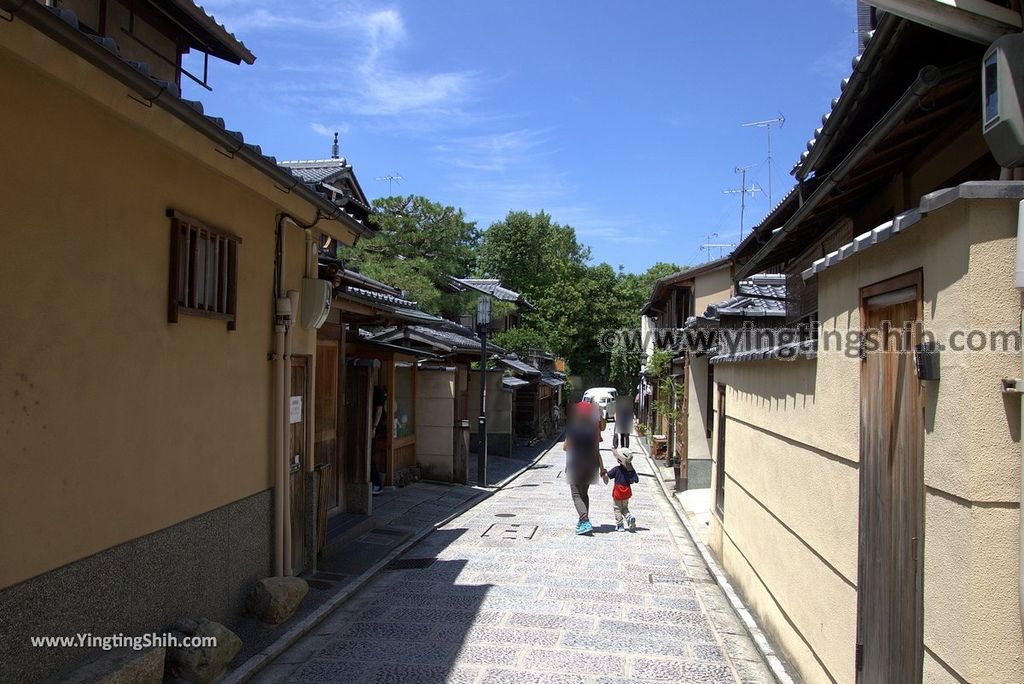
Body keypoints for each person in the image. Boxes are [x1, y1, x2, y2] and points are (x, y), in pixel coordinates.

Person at [563, 402, 607, 535]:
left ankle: (584, 520)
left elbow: (565, 447)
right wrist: (602, 469)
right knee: (584, 494)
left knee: (576, 494)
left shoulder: (573, 428)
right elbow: (597, 451)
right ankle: (582, 522)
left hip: (576, 465)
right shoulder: (594, 429)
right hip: (591, 465)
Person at [607, 448, 639, 532]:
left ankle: (620, 525)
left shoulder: (617, 469)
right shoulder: (631, 471)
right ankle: (629, 517)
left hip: (618, 492)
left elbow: (608, 475)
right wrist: (631, 472)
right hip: (626, 492)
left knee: (617, 508)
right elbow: (636, 479)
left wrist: (603, 473)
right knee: (625, 507)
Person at [371, 385, 387, 495]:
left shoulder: (377, 391)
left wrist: (374, 427)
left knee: (368, 456)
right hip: (374, 426)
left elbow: (379, 408)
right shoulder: (374, 390)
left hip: (375, 427)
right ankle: (375, 482)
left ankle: (377, 483)